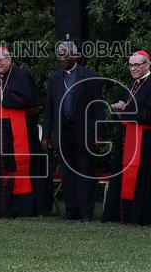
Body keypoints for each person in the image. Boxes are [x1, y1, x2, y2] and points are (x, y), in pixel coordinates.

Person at [41, 41, 104, 222]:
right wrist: (46, 134)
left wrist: (100, 133)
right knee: (67, 174)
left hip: (84, 131)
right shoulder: (54, 78)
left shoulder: (90, 76)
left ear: (75, 55)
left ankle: (85, 212)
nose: (62, 58)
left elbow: (98, 107)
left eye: (66, 55)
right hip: (63, 131)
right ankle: (71, 210)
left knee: (85, 172)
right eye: (59, 55)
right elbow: (49, 109)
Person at [0, 46, 48, 217]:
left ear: (9, 60)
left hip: (18, 129)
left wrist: (3, 94)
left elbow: (32, 100)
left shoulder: (21, 75)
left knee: (18, 166)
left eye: (0, 60)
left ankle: (22, 207)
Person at [102, 51, 151, 224]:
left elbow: (150, 114)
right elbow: (120, 109)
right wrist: (118, 108)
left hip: (144, 139)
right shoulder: (130, 84)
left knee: (141, 178)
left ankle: (137, 215)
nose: (133, 69)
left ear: (147, 65)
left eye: (137, 65)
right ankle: (120, 214)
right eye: (131, 65)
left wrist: (124, 110)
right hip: (126, 136)